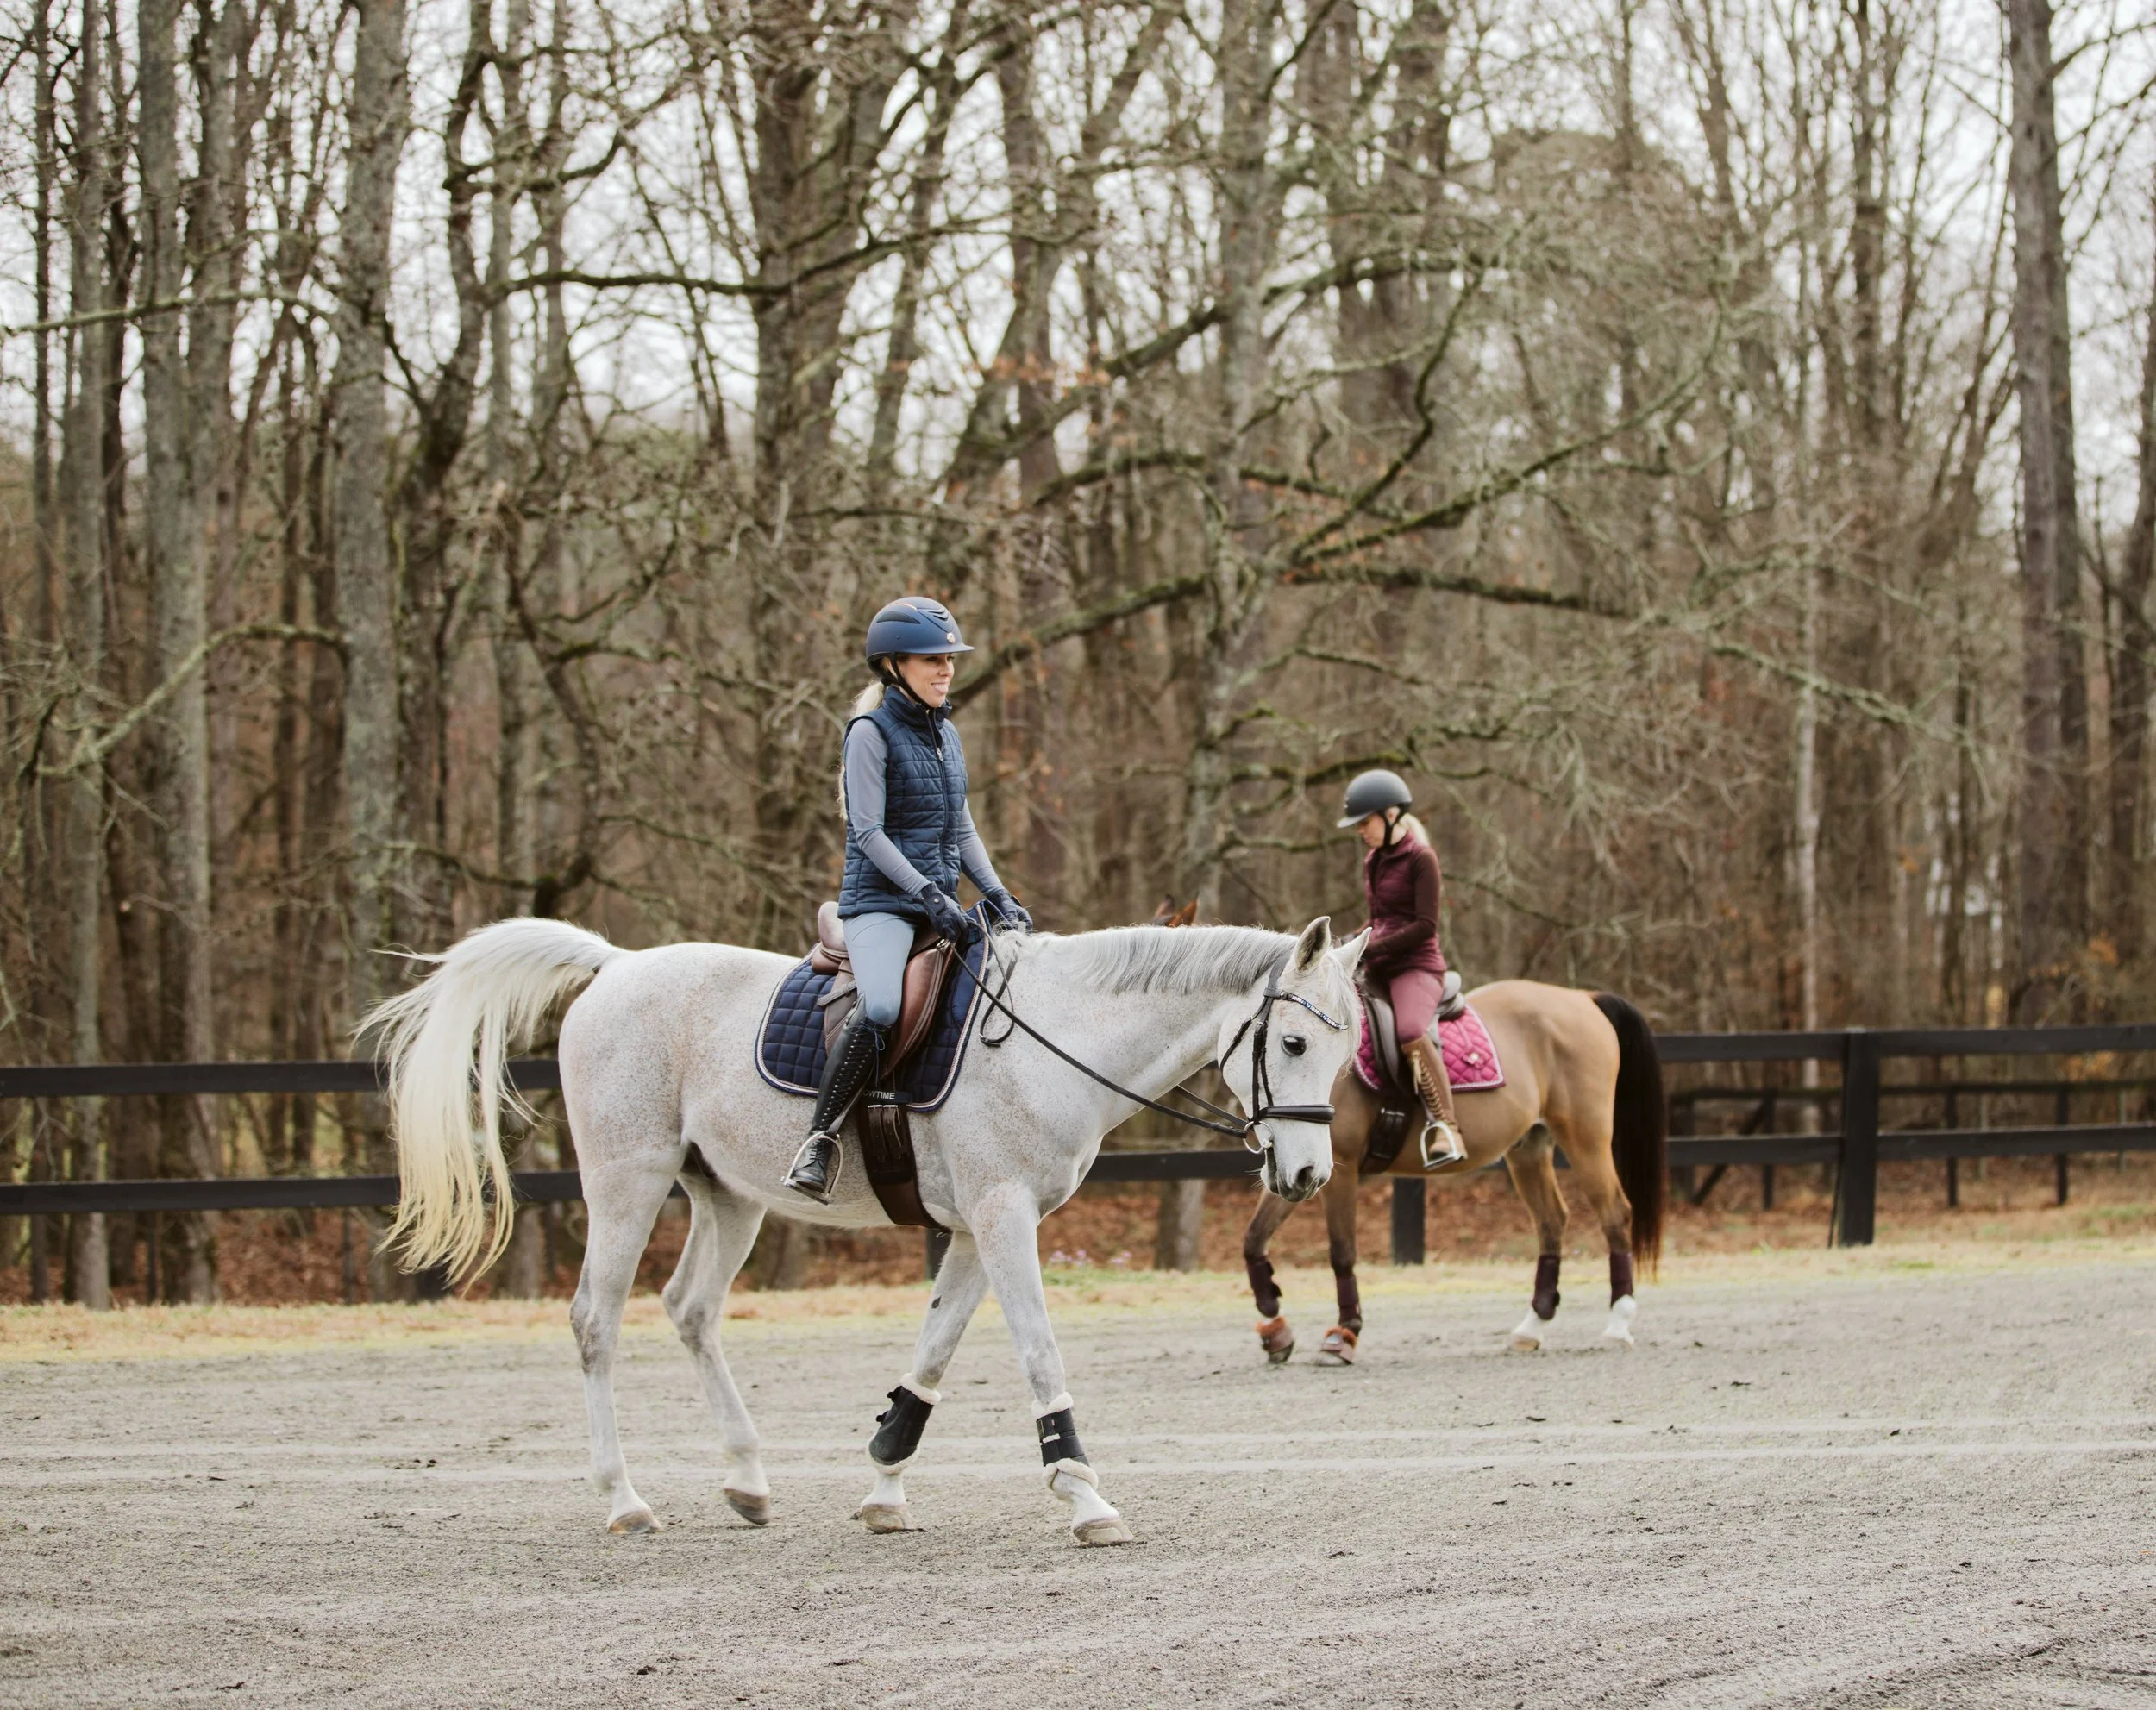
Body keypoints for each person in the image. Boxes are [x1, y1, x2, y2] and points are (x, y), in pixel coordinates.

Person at [784, 597, 1034, 1203]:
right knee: (879, 1007)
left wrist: (998, 893)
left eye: (949, 657)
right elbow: (867, 832)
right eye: (931, 659)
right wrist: (924, 891)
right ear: (893, 665)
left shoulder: (946, 732)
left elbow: (962, 827)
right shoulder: (868, 734)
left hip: (938, 904)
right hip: (881, 907)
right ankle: (818, 1141)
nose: (945, 668)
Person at [1339, 769, 1465, 1168]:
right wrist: (1348, 943)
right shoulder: (1374, 859)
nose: (1361, 831)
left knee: (1410, 1031)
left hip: (1417, 966)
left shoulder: (1421, 859)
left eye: (1365, 822)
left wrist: (1371, 948)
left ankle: (1446, 1127)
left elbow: (1424, 925)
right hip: (1378, 962)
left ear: (1390, 815)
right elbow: (1378, 916)